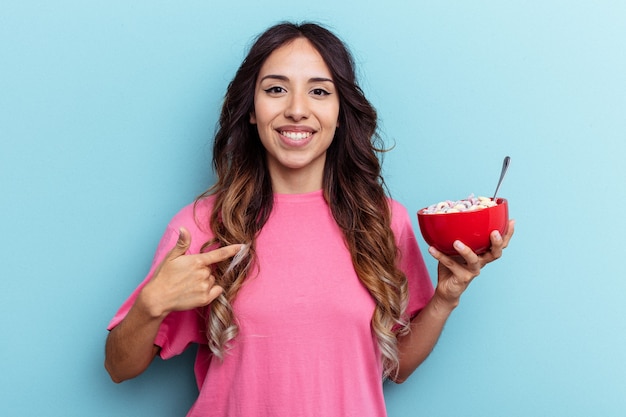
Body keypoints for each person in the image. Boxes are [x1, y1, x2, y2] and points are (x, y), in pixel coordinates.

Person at [105, 21, 515, 417]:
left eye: (319, 91)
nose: (297, 109)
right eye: (276, 89)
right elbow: (119, 368)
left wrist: (445, 298)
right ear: (251, 109)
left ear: (340, 114)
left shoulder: (384, 222)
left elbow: (394, 368)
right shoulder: (201, 225)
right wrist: (150, 305)